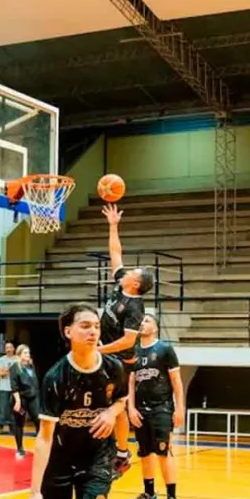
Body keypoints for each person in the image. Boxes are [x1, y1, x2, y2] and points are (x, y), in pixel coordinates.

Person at [22, 303, 130, 499]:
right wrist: (34, 490)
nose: (93, 331)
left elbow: (121, 399)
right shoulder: (56, 378)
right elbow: (43, 438)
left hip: (97, 457)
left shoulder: (113, 369)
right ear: (68, 332)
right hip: (60, 459)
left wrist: (112, 413)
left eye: (95, 325)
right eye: (84, 325)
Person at [99, 203, 152, 479]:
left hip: (119, 359)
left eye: (134, 272)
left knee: (118, 406)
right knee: (104, 402)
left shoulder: (134, 308)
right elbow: (115, 253)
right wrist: (113, 225)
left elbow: (126, 342)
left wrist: (98, 349)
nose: (128, 270)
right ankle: (109, 446)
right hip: (106, 355)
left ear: (136, 284)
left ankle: (121, 453)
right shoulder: (121, 283)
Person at [126, 314, 184, 499]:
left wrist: (179, 408)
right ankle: (149, 494)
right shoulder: (134, 351)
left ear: (156, 327)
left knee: (163, 452)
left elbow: (177, 382)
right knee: (144, 453)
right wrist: (130, 408)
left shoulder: (165, 349)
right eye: (141, 321)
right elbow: (131, 382)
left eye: (148, 321)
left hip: (162, 409)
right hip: (140, 411)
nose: (143, 323)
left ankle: (172, 497)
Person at [9, 344, 39, 459]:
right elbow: (14, 386)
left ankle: (40, 446)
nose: (28, 355)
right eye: (25, 353)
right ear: (19, 355)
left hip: (33, 397)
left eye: (28, 353)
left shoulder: (30, 366)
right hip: (21, 399)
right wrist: (17, 401)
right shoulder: (15, 367)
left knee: (38, 420)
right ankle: (20, 449)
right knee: (19, 423)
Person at [0, 343, 17, 433]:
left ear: (13, 349)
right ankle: (0, 427)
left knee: (13, 409)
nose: (8, 349)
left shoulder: (17, 359)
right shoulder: (1, 359)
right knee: (2, 408)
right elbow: (1, 374)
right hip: (3, 388)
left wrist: (6, 370)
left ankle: (12, 427)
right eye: (6, 348)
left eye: (10, 347)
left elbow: (18, 374)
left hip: (14, 388)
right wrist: (10, 371)